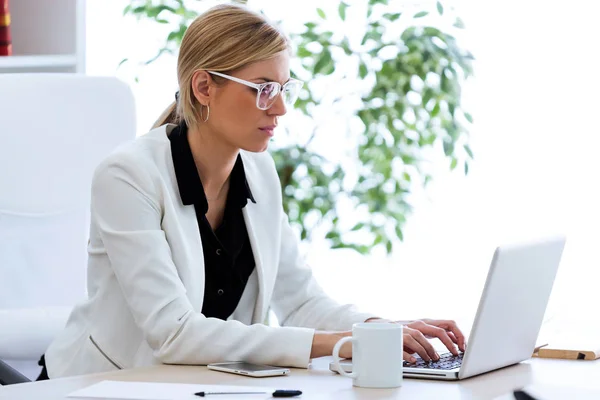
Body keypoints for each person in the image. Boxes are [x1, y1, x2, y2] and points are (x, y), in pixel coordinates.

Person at [43, 4, 466, 379]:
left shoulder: (259, 172)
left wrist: (381, 329)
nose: (280, 108)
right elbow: (172, 333)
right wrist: (336, 342)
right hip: (102, 386)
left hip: (200, 387)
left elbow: (301, 302)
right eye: (264, 89)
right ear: (204, 87)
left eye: (284, 88)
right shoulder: (127, 176)